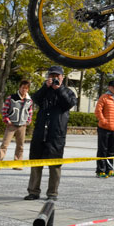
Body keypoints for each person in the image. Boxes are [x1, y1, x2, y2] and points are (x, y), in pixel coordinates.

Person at [25, 66, 77, 201]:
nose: (54, 78)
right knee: (36, 162)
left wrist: (58, 89)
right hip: (40, 132)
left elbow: (69, 103)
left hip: (56, 133)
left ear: (62, 77)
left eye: (57, 76)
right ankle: (33, 191)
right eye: (52, 76)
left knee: (55, 165)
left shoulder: (68, 92)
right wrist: (44, 87)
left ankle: (52, 193)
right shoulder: (44, 91)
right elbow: (35, 99)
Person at [0, 80, 33, 170]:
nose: (24, 90)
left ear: (28, 89)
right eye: (22, 87)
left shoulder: (29, 100)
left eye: (26, 88)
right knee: (4, 144)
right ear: (19, 87)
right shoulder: (11, 98)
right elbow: (4, 110)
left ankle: (17, 163)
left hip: (22, 126)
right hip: (11, 125)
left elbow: (30, 112)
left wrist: (28, 121)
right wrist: (7, 120)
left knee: (20, 145)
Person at [95, 80, 114, 178]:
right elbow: (98, 111)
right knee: (102, 150)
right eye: (113, 86)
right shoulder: (104, 97)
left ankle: (109, 169)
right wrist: (103, 121)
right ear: (109, 87)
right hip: (104, 128)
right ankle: (100, 170)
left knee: (112, 150)